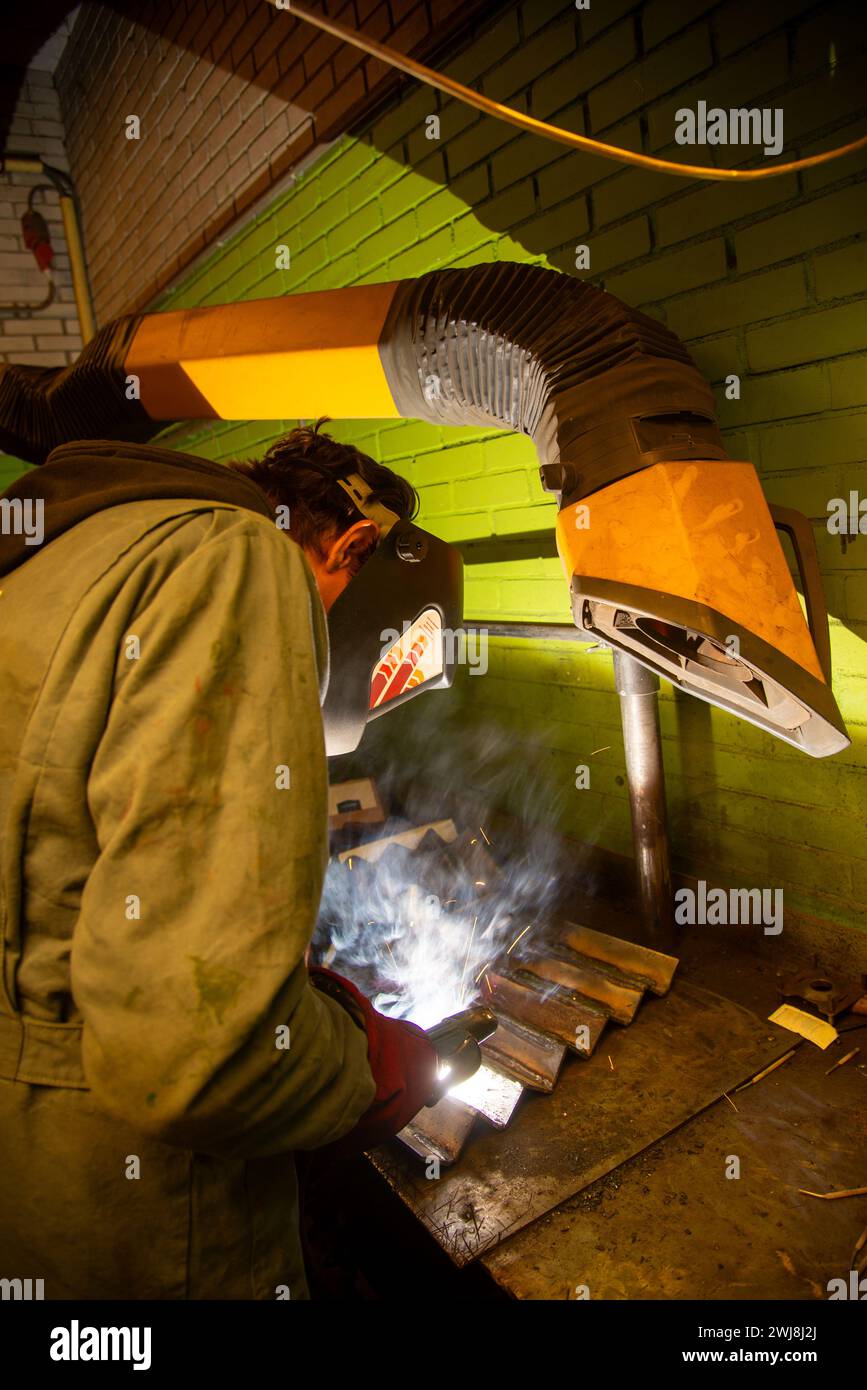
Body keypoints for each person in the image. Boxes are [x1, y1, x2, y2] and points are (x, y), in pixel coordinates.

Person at [0, 418, 438, 1300]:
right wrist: (368, 1065)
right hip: (147, 1216)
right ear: (351, 543)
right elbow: (204, 1056)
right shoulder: (239, 558)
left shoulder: (75, 552)